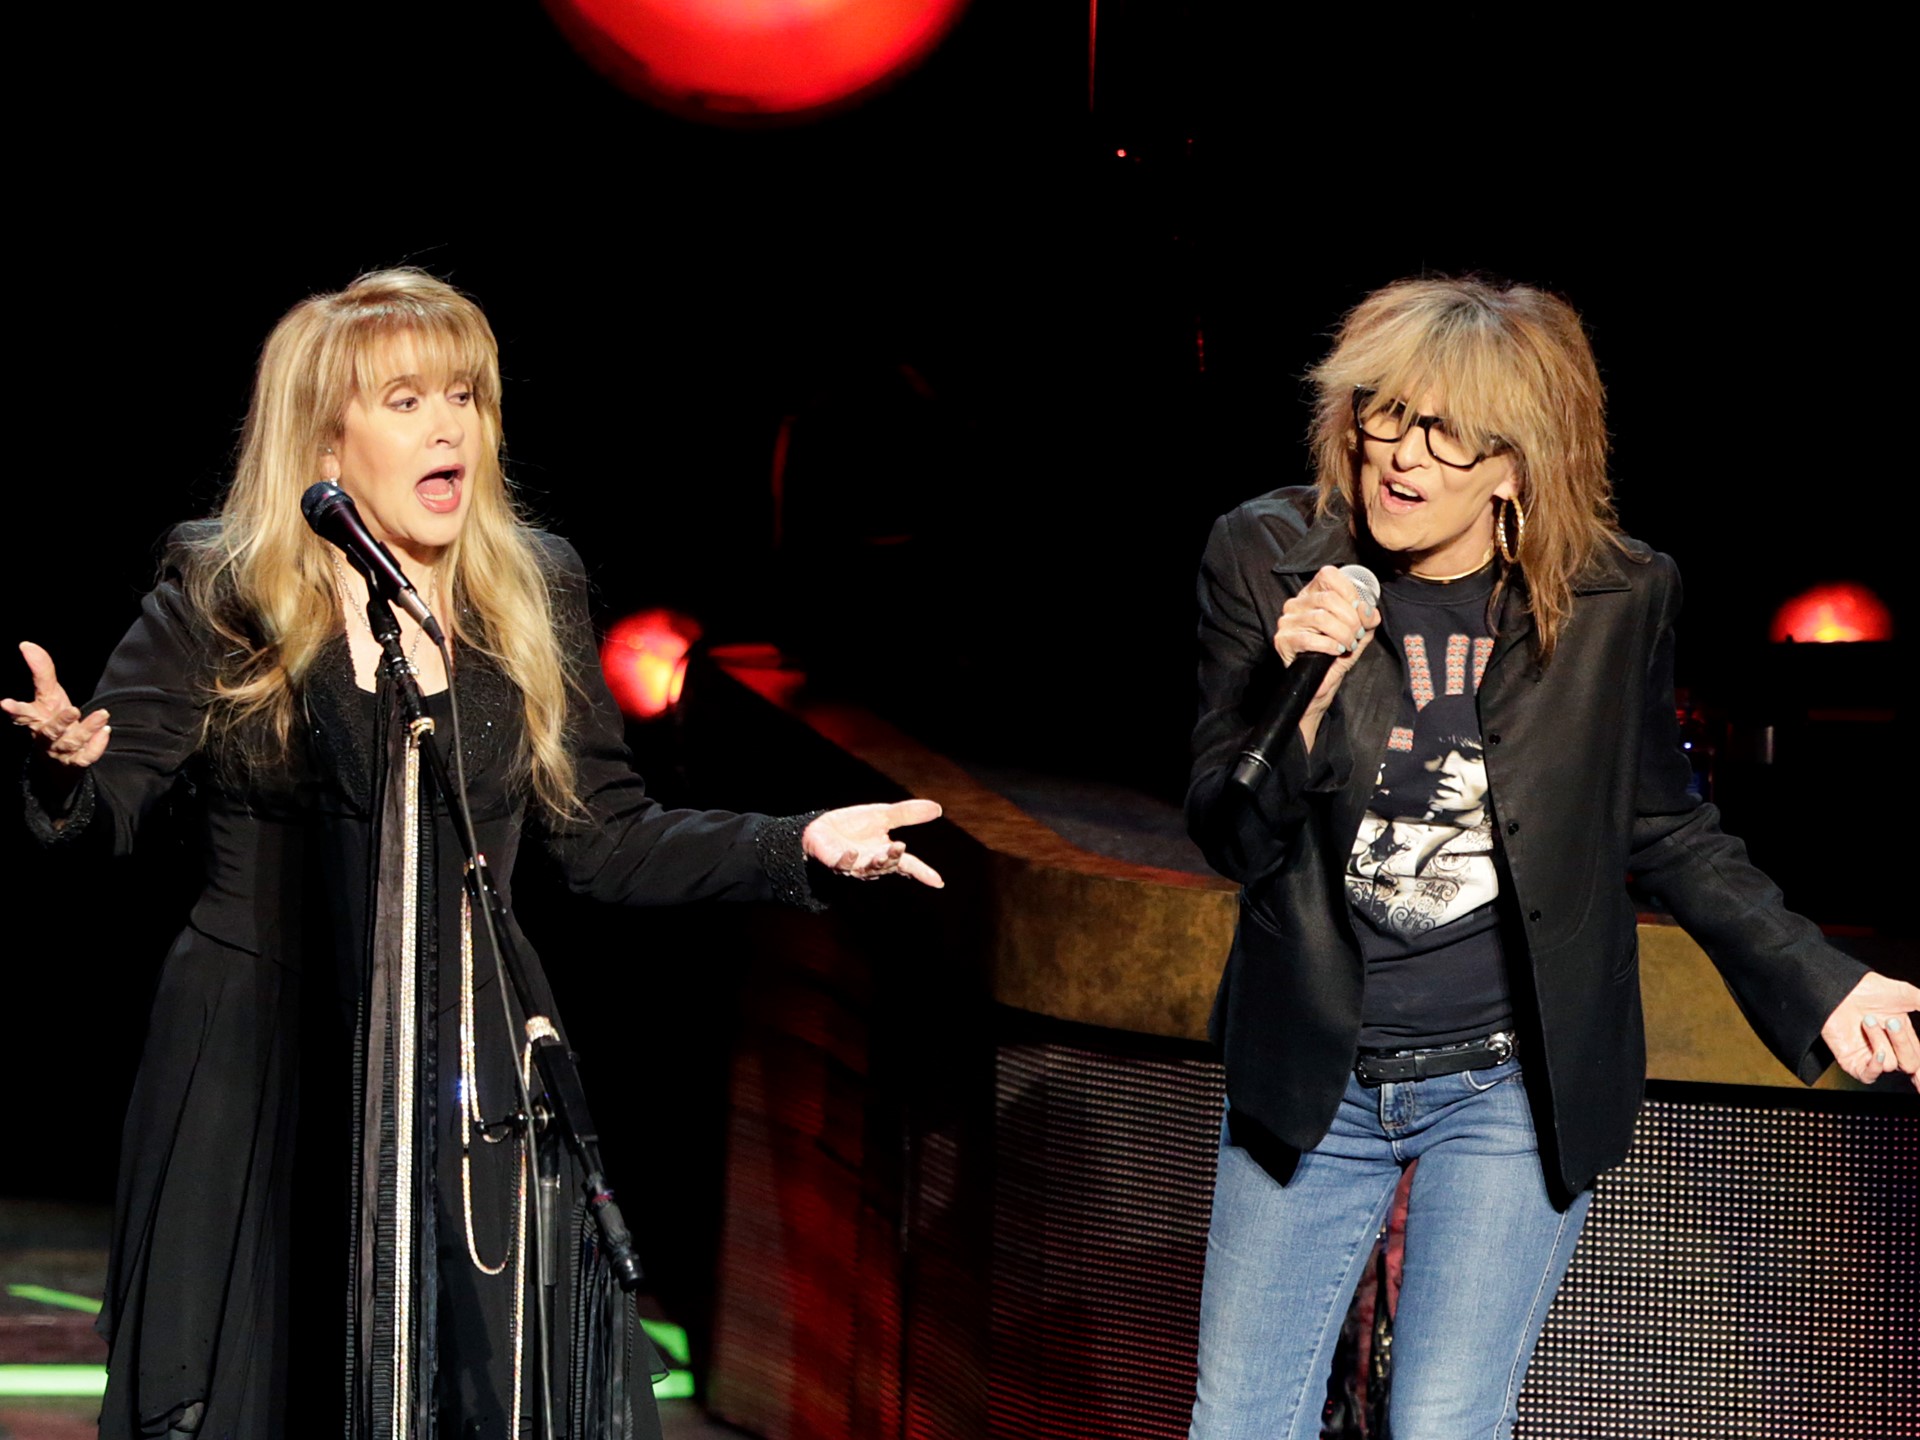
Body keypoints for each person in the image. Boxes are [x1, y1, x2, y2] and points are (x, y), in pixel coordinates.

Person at [7, 268, 944, 1440]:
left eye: (465, 395)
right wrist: (62, 770)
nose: (450, 423)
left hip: (468, 1059)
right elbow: (110, 802)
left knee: (482, 1389)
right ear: (324, 437)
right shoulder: (228, 586)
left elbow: (605, 839)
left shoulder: (527, 586)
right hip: (259, 1055)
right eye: (405, 400)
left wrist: (795, 840)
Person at [1182, 275, 1920, 1440]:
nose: (1399, 458)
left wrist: (1821, 978)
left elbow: (1667, 826)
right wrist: (1300, 689)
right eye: (1383, 415)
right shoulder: (1268, 556)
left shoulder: (1614, 596)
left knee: (1443, 1424)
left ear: (1515, 465)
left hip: (1506, 1086)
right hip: (1313, 1075)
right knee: (1240, 1422)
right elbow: (1232, 833)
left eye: (1444, 433)